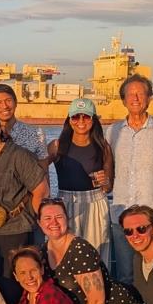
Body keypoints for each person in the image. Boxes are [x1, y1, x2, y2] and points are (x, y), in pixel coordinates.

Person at [0, 110, 48, 304]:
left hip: (16, 231)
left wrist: (31, 218)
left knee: (13, 288)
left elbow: (41, 190)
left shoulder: (18, 155)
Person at [105, 75, 153, 283]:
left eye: (140, 93)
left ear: (149, 98)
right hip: (122, 217)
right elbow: (109, 170)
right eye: (130, 94)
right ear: (123, 100)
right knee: (126, 276)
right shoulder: (112, 132)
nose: (135, 98)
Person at [50, 97, 114, 273]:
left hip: (95, 202)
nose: (80, 121)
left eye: (86, 117)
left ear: (93, 120)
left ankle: (99, 287)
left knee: (96, 253)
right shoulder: (57, 145)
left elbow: (108, 186)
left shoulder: (103, 147)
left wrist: (105, 181)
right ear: (69, 120)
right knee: (65, 254)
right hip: (66, 202)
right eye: (75, 117)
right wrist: (46, 201)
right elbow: (38, 170)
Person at [0, 83, 54, 197]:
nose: (5, 106)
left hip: (27, 200)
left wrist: (46, 201)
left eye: (8, 100)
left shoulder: (36, 133)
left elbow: (44, 170)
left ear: (16, 103)